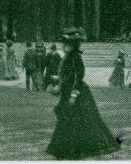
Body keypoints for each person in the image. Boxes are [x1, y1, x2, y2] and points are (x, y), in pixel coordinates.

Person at [46, 28, 120, 160]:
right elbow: (66, 76)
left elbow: (78, 77)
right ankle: (66, 150)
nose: (64, 46)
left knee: (80, 121)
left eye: (67, 44)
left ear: (73, 45)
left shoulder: (75, 57)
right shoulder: (67, 57)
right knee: (67, 121)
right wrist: (57, 84)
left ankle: (71, 150)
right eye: (64, 44)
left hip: (77, 94)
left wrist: (73, 95)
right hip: (66, 92)